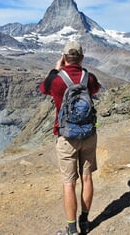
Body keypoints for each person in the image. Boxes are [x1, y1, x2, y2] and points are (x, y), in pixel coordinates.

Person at [39, 41, 101, 235]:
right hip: (88, 134)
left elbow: (43, 89)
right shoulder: (88, 78)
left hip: (66, 136)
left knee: (69, 183)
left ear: (64, 57)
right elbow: (96, 90)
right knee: (87, 177)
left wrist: (55, 69)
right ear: (82, 58)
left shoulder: (56, 80)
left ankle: (72, 229)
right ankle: (85, 221)